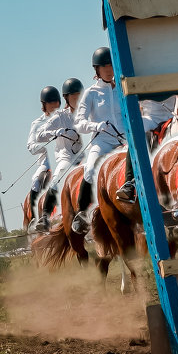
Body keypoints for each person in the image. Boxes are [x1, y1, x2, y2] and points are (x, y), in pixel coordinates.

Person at [71, 47, 124, 234]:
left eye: (111, 65)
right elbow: (79, 123)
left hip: (124, 141)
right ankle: (82, 212)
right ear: (97, 70)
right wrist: (95, 126)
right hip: (102, 141)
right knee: (91, 167)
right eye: (104, 66)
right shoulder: (91, 93)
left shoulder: (123, 89)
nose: (109, 69)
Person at [33, 78, 84, 231]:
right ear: (66, 98)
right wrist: (55, 132)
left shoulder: (87, 112)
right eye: (73, 97)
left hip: (84, 156)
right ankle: (45, 217)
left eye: (79, 96)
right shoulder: (60, 117)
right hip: (66, 157)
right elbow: (39, 136)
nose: (77, 100)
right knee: (59, 175)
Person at [26, 86, 61, 226]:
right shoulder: (37, 124)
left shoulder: (65, 117)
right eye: (50, 103)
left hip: (65, 158)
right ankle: (35, 217)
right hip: (46, 163)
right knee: (36, 180)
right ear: (44, 105)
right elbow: (30, 146)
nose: (54, 105)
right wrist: (45, 146)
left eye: (56, 102)